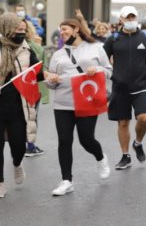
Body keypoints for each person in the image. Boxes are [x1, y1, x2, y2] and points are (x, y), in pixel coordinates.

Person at [44, 18, 112, 196]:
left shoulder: (96, 47)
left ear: (76, 29)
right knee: (64, 140)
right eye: (60, 31)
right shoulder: (58, 54)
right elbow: (50, 81)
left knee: (86, 140)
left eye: (65, 29)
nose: (62, 33)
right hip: (63, 103)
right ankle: (67, 181)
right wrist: (51, 80)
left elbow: (109, 71)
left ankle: (100, 157)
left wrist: (96, 70)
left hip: (87, 101)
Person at [103, 6, 146, 170]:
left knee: (144, 118)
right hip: (120, 88)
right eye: (127, 18)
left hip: (141, 87)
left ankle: (138, 143)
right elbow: (101, 60)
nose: (130, 20)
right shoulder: (113, 39)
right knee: (122, 123)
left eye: (133, 17)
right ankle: (125, 156)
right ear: (120, 20)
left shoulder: (145, 37)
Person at [0, 13, 43, 198]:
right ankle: (0, 183)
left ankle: (17, 163)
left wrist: (49, 76)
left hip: (18, 106)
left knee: (18, 146)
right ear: (7, 28)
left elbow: (37, 73)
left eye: (24, 31)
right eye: (18, 30)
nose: (22, 34)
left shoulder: (27, 50)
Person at [23, 20, 48, 157]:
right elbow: (42, 70)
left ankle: (23, 145)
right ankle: (30, 146)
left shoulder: (7, 46)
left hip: (14, 87)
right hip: (32, 88)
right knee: (31, 117)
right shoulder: (37, 48)